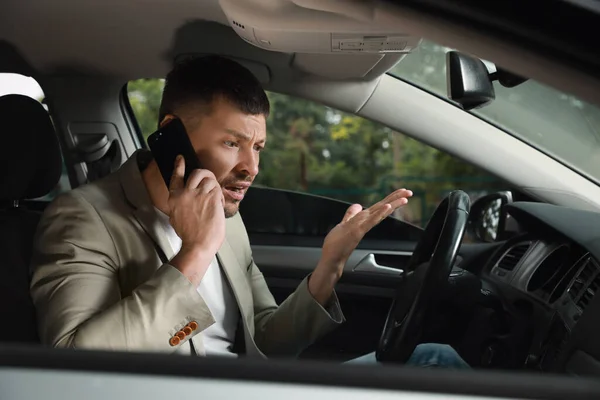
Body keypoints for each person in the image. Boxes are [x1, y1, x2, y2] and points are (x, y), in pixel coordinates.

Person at [30, 55, 467, 368]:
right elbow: (71, 363)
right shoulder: (84, 219)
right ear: (171, 135)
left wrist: (329, 267)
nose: (251, 167)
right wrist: (195, 255)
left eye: (257, 147)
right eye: (232, 143)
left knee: (434, 358)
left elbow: (265, 344)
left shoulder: (228, 218)